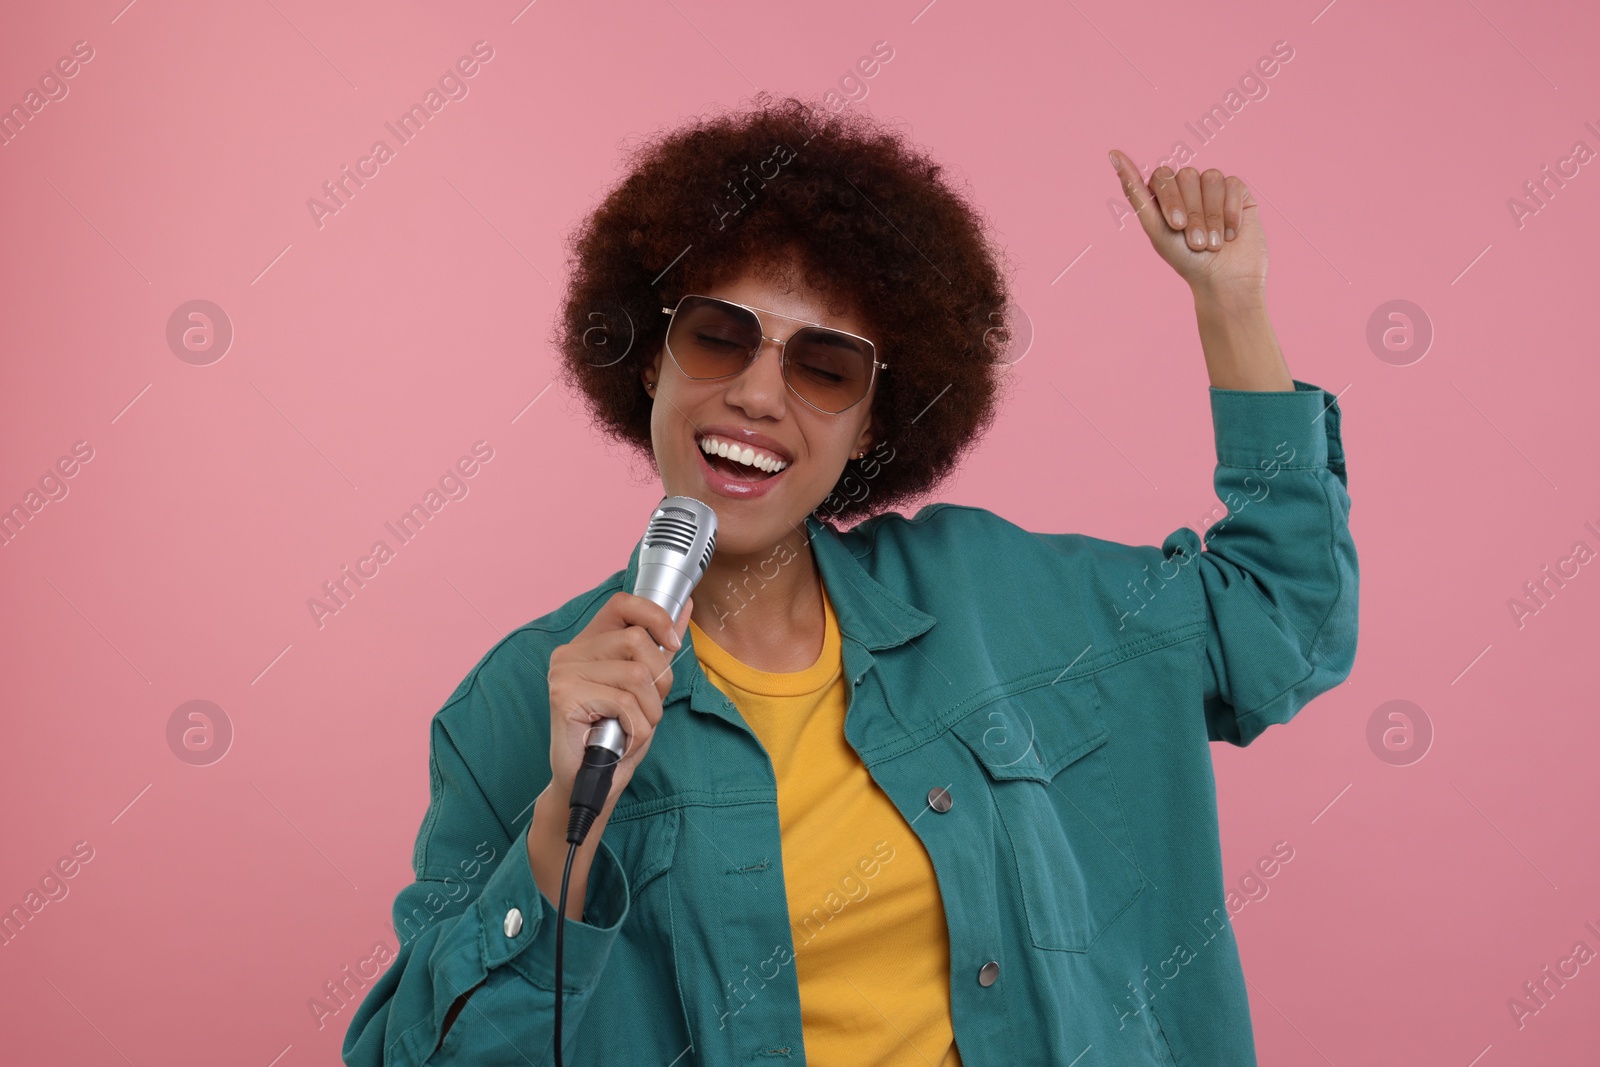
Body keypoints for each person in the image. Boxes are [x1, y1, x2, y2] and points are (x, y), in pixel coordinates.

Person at [343, 92, 1358, 1067]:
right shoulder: (523, 703)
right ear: (651, 360)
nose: (754, 393)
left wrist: (1231, 310)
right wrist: (569, 807)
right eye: (716, 335)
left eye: (822, 367)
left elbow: (1277, 621)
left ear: (875, 419)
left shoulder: (990, 597)